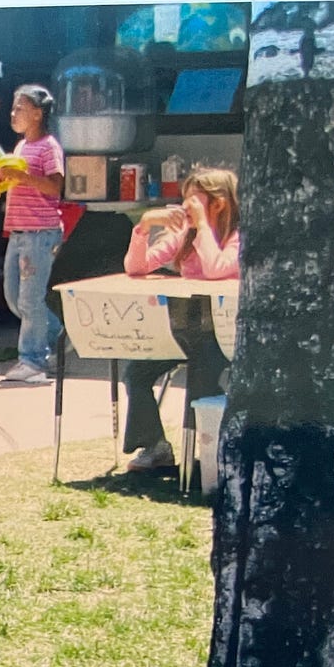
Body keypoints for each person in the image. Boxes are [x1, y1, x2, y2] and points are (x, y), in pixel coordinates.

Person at [120, 166, 240, 471]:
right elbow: (137, 267)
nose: (186, 206)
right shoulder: (184, 235)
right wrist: (145, 227)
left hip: (222, 335)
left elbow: (216, 269)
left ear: (219, 202)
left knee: (202, 377)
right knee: (136, 371)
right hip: (184, 328)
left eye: (194, 200)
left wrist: (203, 227)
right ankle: (154, 445)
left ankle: (202, 456)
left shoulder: (239, 237)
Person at [0, 84, 65, 384]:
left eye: (20, 108)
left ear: (38, 113)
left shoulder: (49, 146)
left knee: (30, 298)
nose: (13, 114)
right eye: (13, 107)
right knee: (14, 297)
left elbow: (54, 187)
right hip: (19, 232)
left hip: (40, 232)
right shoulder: (21, 147)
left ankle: (33, 360)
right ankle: (56, 334)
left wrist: (21, 176)